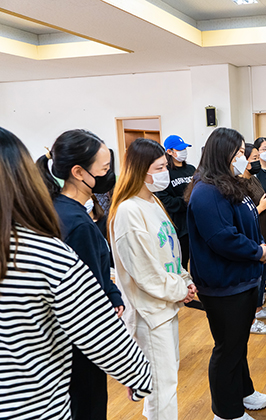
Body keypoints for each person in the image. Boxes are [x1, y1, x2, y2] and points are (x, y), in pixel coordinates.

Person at [0, 127, 152, 419]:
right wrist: (139, 375)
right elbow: (94, 322)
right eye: (104, 169)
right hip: (34, 402)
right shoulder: (40, 250)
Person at [36, 129, 125, 420]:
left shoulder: (58, 209)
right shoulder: (77, 224)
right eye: (104, 169)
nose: (109, 175)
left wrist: (112, 292)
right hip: (81, 345)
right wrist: (124, 364)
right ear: (78, 172)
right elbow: (87, 299)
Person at [186, 128, 266, 420]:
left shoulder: (230, 183)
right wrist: (257, 252)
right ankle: (226, 412)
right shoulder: (207, 191)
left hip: (242, 278)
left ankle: (243, 391)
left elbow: (246, 223)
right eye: (239, 153)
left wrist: (258, 246)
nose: (244, 158)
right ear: (223, 153)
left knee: (238, 344)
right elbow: (222, 238)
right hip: (224, 284)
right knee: (227, 348)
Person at [108, 138, 196, 420]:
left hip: (166, 306)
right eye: (159, 168)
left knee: (164, 380)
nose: (165, 173)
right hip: (149, 312)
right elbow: (145, 273)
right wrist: (180, 289)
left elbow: (170, 250)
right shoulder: (128, 211)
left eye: (165, 167)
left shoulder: (153, 201)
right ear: (140, 171)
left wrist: (185, 279)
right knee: (162, 388)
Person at [240, 143, 266, 335]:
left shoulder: (253, 179)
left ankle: (259, 308)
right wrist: (261, 207)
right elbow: (243, 215)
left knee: (264, 272)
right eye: (254, 159)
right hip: (250, 236)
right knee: (255, 276)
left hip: (261, 232)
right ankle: (251, 318)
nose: (257, 162)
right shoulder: (239, 184)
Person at [156, 135, 195, 270]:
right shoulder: (166, 173)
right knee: (181, 261)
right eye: (180, 149)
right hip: (179, 226)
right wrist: (187, 201)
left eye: (184, 148)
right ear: (169, 152)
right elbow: (165, 200)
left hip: (194, 221)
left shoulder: (191, 169)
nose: (183, 151)